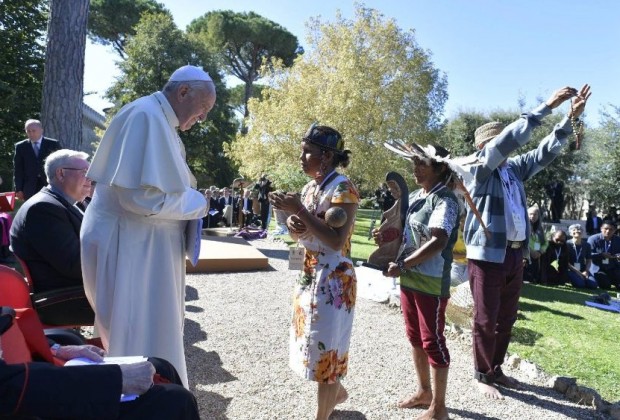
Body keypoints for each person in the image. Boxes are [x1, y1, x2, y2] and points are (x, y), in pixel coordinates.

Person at [81, 65, 216, 388]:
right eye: (203, 109)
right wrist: (200, 203)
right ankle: (135, 396)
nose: (203, 119)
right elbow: (142, 199)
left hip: (140, 247)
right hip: (128, 245)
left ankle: (156, 394)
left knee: (152, 332)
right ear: (183, 92)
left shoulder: (158, 120)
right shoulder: (145, 116)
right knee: (134, 335)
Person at [462, 84, 591, 399]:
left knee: (506, 317)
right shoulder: (478, 168)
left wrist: (568, 119)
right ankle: (482, 374)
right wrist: (547, 106)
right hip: (487, 256)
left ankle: (496, 369)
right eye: (496, 144)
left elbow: (545, 151)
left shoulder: (512, 171)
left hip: (514, 254)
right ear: (484, 146)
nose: (505, 149)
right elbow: (510, 139)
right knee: (485, 317)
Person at [269, 124, 359, 420]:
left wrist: (302, 212)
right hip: (309, 274)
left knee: (327, 353)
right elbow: (304, 234)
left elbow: (335, 240)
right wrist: (294, 222)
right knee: (311, 342)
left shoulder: (344, 188)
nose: (301, 156)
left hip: (334, 280)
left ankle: (322, 416)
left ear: (327, 156)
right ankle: (337, 395)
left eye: (308, 151)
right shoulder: (310, 188)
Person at [0, 306, 200, 419]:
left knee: (160, 366)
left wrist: (56, 349)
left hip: (27, 376)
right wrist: (114, 379)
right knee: (174, 401)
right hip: (22, 401)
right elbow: (6, 388)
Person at [379, 145, 460, 420]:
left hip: (431, 281)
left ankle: (439, 408)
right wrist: (386, 237)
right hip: (410, 278)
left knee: (433, 341)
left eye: (421, 163)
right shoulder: (416, 197)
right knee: (415, 337)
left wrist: (402, 264)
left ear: (439, 168)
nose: (415, 169)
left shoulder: (446, 200)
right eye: (413, 163)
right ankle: (424, 392)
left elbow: (439, 240)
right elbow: (404, 231)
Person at [10, 149, 94, 326]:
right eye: (85, 172)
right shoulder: (42, 209)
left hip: (78, 290)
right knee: (141, 296)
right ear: (61, 173)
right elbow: (75, 265)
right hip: (61, 299)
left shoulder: (74, 203)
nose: (91, 178)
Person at [13, 119, 62, 201]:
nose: (31, 133)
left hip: (49, 184)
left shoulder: (53, 144)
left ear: (41, 130)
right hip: (29, 187)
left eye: (34, 131)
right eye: (28, 131)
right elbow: (18, 170)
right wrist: (18, 189)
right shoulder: (20, 147)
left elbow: (60, 165)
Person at [587, 220, 620, 289]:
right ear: (601, 228)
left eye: (611, 229)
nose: (608, 231)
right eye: (606, 229)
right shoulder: (593, 239)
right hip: (598, 268)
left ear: (615, 230)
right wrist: (601, 255)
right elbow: (588, 254)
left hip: (612, 267)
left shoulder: (618, 240)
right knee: (606, 285)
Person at [566, 224, 597, 289]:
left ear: (582, 232)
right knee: (580, 285)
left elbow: (589, 260)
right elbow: (566, 262)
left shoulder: (587, 245)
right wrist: (578, 273)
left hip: (583, 269)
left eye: (579, 230)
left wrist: (586, 270)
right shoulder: (567, 244)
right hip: (571, 269)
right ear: (570, 233)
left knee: (593, 285)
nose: (577, 231)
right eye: (574, 230)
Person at [523, 206, 547, 284]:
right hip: (526, 253)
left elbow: (545, 242)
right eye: (530, 214)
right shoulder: (524, 225)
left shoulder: (540, 228)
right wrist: (531, 251)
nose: (532, 216)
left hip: (537, 254)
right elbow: (522, 240)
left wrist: (540, 251)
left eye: (535, 214)